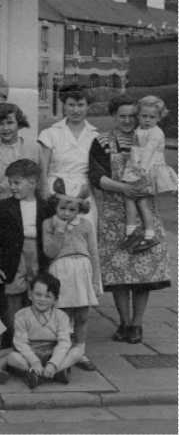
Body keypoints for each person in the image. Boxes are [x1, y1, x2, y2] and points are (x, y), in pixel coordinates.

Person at [88, 95, 171, 345]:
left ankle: (137, 324)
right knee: (119, 274)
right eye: (121, 115)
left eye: (131, 116)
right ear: (114, 116)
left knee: (142, 276)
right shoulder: (102, 142)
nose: (127, 120)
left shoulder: (148, 138)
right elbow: (95, 176)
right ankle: (123, 322)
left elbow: (158, 171)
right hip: (114, 216)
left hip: (145, 212)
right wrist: (122, 188)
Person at [0, 159, 54, 344]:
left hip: (36, 252)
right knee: (12, 300)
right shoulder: (3, 207)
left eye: (17, 183)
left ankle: (33, 342)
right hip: (13, 257)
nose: (12, 187)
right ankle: (10, 343)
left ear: (33, 184)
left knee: (37, 295)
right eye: (10, 182)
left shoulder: (45, 206)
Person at [42, 178, 101, 372]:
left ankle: (80, 352)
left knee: (82, 317)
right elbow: (49, 252)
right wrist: (59, 231)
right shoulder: (48, 224)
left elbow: (93, 252)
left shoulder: (85, 225)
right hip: (61, 272)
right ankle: (63, 352)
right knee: (64, 317)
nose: (67, 213)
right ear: (55, 207)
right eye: (63, 209)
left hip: (82, 271)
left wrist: (95, 280)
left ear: (79, 210)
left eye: (72, 210)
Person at [38, 84, 100, 253]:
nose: (76, 110)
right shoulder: (50, 133)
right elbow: (42, 168)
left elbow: (98, 171)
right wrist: (44, 193)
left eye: (81, 105)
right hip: (55, 189)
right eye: (71, 105)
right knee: (56, 238)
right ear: (64, 105)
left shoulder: (94, 135)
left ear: (88, 106)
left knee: (83, 237)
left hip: (83, 192)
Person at [119, 96, 177, 252]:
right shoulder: (140, 130)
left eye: (152, 117)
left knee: (133, 199)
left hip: (147, 170)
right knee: (137, 201)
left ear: (159, 118)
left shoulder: (155, 133)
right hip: (138, 169)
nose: (147, 120)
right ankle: (143, 234)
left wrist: (142, 168)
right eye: (144, 116)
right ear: (138, 116)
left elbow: (148, 151)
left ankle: (138, 233)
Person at [7, 273, 82, 388]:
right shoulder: (21, 315)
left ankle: (49, 372)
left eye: (47, 296)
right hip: (32, 352)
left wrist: (53, 363)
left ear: (55, 300)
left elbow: (64, 343)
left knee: (78, 352)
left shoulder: (61, 316)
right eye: (38, 294)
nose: (42, 299)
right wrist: (34, 361)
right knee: (12, 358)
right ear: (30, 294)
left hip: (53, 353)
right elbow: (20, 342)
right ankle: (50, 373)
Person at [0, 103, 47, 202]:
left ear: (19, 123)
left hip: (31, 208)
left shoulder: (34, 148)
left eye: (10, 122)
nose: (5, 128)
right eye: (0, 123)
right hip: (3, 210)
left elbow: (43, 184)